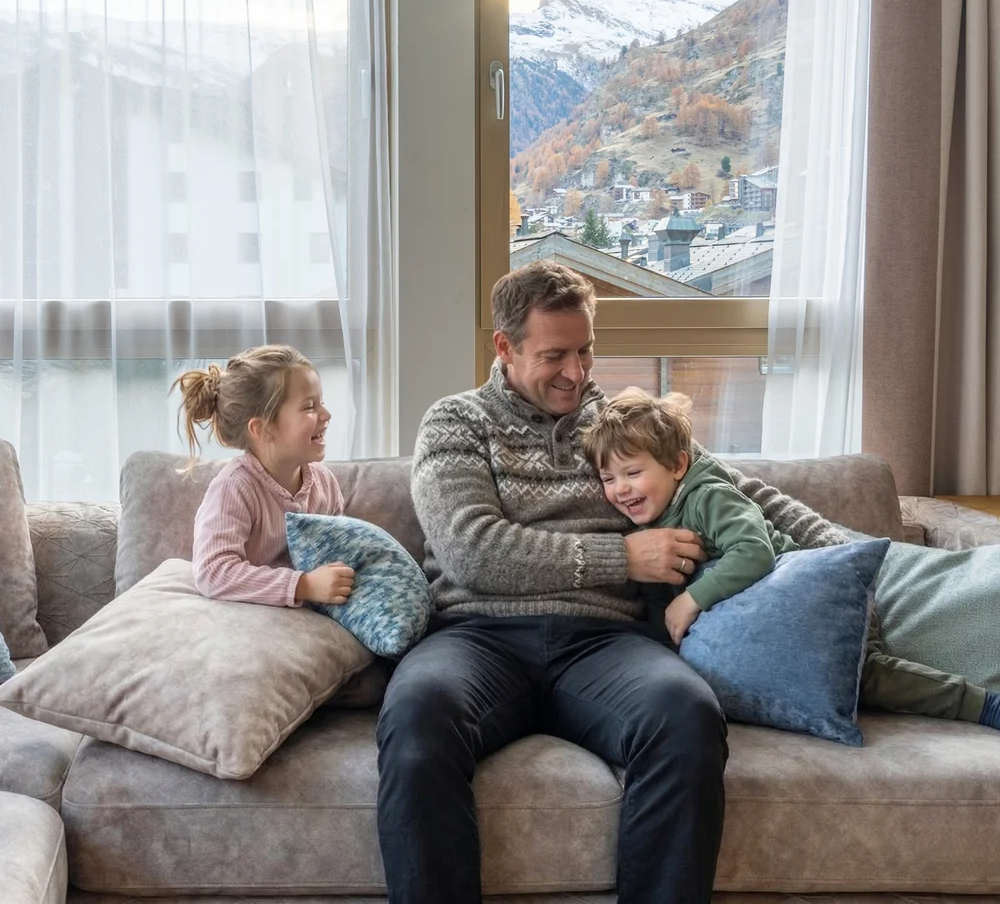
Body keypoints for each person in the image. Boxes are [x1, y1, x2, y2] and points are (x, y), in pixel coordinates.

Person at [376, 260, 848, 904]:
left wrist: (862, 554)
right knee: (416, 716)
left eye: (586, 350)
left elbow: (741, 496)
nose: (577, 373)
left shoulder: (621, 419)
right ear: (505, 347)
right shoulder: (456, 423)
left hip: (604, 642)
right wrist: (624, 558)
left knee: (685, 715)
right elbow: (472, 551)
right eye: (555, 355)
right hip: (476, 637)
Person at [583, 387, 1000, 730]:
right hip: (766, 624)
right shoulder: (646, 520)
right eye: (608, 478)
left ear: (678, 465)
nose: (620, 489)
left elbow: (754, 551)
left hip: (814, 603)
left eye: (632, 473)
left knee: (873, 678)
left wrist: (690, 600)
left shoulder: (709, 496)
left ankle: (981, 705)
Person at [174, 344, 355, 609]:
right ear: (262, 429)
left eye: (322, 402)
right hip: (247, 621)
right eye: (309, 407)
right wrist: (303, 585)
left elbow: (339, 550)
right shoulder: (234, 487)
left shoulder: (324, 483)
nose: (326, 415)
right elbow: (213, 572)